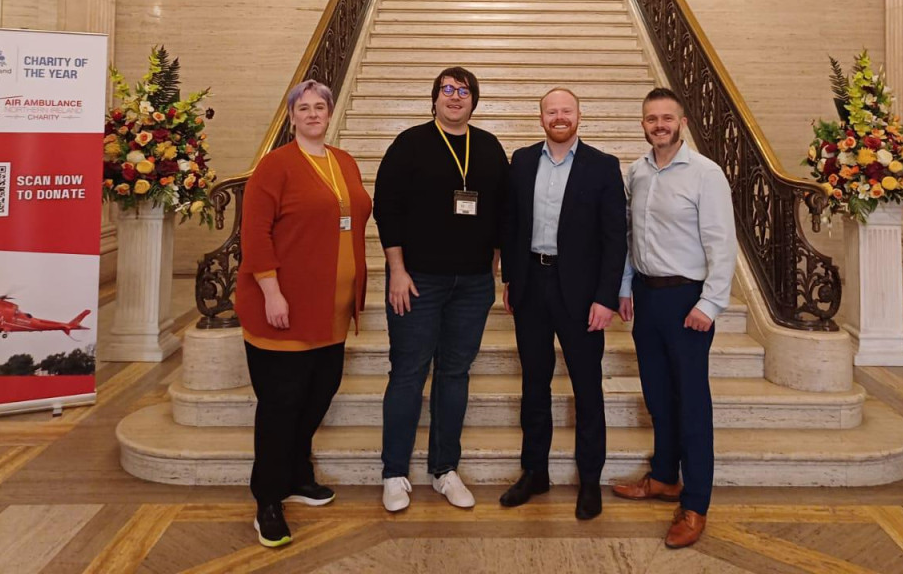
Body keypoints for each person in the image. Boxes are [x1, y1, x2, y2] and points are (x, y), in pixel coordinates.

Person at [236, 79, 372, 549]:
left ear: (330, 113)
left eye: (320, 106)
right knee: (280, 406)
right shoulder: (275, 167)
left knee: (319, 393)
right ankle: (268, 500)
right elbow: (254, 235)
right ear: (292, 116)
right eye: (304, 108)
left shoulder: (344, 162)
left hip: (331, 313)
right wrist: (271, 292)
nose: (313, 114)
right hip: (285, 311)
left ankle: (296, 474)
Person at [373, 66, 509, 512]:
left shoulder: (488, 147)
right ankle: (394, 472)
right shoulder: (410, 143)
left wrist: (493, 263)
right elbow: (386, 208)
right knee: (409, 373)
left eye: (463, 91)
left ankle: (444, 469)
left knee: (454, 374)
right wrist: (396, 269)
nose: (455, 97)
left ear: (474, 100)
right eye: (447, 90)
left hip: (471, 285)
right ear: (434, 99)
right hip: (418, 282)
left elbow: (502, 210)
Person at [612, 87, 738, 550]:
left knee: (691, 404)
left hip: (688, 301)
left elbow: (723, 243)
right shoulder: (637, 172)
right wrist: (625, 287)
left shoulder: (706, 174)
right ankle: (664, 478)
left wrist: (710, 304)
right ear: (642, 123)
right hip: (646, 297)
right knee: (658, 397)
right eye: (651, 118)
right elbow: (631, 237)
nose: (659, 124)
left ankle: (696, 503)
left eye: (667, 117)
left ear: (681, 122)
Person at [499, 88, 626, 520]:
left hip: (582, 294)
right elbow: (511, 223)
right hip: (532, 285)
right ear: (540, 118)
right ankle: (535, 472)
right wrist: (511, 279)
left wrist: (606, 298)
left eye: (566, 111)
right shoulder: (521, 161)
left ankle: (589, 480)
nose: (559, 117)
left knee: (587, 389)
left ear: (579, 116)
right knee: (534, 385)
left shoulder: (604, 167)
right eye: (551, 111)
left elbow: (615, 240)